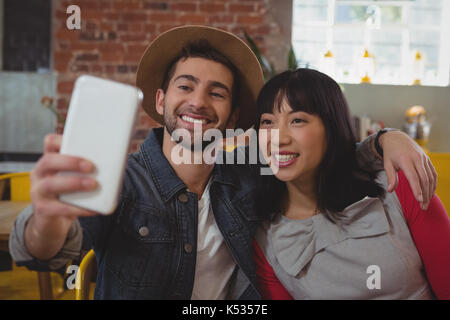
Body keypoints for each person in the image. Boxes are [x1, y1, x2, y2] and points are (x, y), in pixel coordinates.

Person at [9, 25, 436, 300]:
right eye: (185, 86)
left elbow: (320, 156)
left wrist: (385, 140)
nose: (198, 102)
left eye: (216, 92)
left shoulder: (251, 172)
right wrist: (47, 218)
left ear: (232, 116)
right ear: (161, 101)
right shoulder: (123, 183)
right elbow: (45, 252)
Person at [253, 68, 450, 300]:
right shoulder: (265, 239)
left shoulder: (399, 187)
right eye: (268, 122)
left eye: (297, 120)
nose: (279, 138)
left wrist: (387, 138)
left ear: (331, 127)